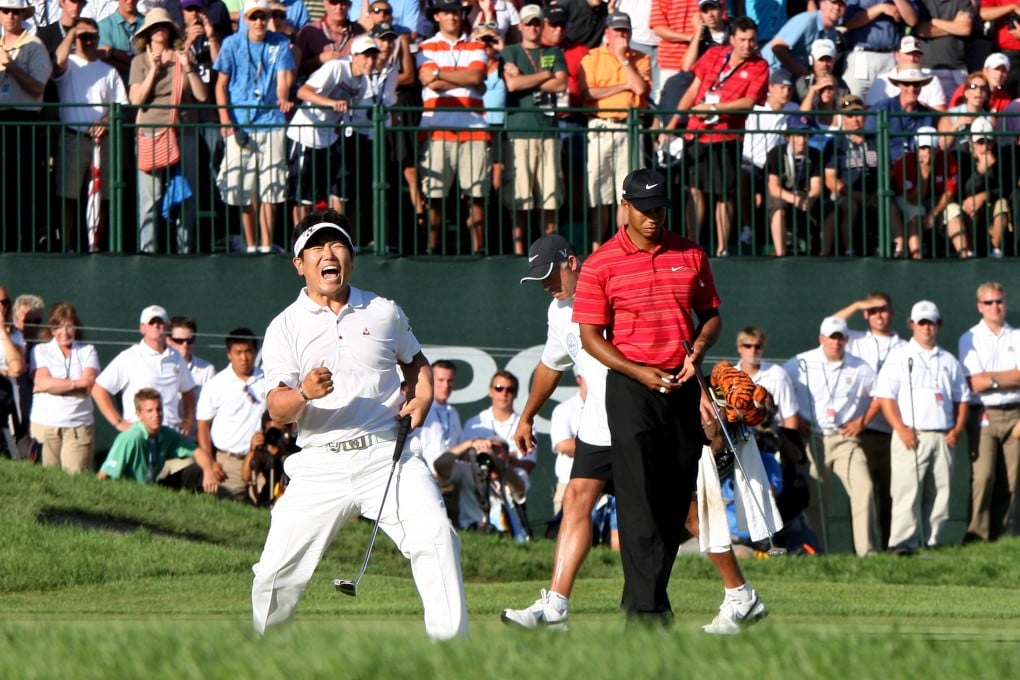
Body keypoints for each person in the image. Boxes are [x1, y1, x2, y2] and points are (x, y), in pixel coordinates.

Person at [250, 209, 467, 640]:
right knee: (275, 573)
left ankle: (453, 654)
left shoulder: (383, 311)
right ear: (299, 265)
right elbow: (278, 409)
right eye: (316, 247)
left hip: (388, 455)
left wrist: (422, 395)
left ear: (350, 256)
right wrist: (305, 393)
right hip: (319, 464)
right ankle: (265, 656)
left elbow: (416, 363)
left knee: (437, 538)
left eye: (337, 245)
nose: (328, 254)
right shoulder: (284, 327)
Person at [571, 168, 741, 628]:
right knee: (638, 499)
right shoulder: (601, 262)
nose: (652, 218)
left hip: (683, 384)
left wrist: (700, 349)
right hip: (630, 388)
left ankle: (640, 603)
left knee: (671, 504)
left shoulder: (689, 254)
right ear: (624, 206)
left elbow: (711, 316)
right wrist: (637, 372)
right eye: (644, 210)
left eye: (660, 209)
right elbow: (590, 336)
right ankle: (649, 614)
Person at [874, 300, 969, 553]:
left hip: (943, 435)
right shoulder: (899, 356)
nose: (927, 328)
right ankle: (902, 543)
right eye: (922, 322)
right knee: (907, 492)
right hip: (911, 434)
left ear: (939, 325)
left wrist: (958, 428)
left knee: (941, 494)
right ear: (912, 325)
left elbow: (962, 398)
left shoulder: (949, 361)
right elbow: (885, 397)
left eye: (932, 323)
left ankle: (933, 542)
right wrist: (901, 429)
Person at [673, 16, 768, 257]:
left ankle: (722, 248)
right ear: (733, 39)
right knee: (694, 191)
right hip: (696, 132)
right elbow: (694, 89)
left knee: (724, 194)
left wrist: (714, 108)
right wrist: (673, 122)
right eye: (743, 39)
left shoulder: (760, 65)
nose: (748, 45)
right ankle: (691, 247)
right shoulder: (715, 54)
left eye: (752, 40)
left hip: (727, 138)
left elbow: (749, 102)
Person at [784, 316, 879, 556]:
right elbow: (782, 391)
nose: (836, 342)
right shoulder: (799, 363)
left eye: (840, 337)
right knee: (814, 499)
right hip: (812, 438)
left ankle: (867, 552)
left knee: (864, 487)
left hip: (845, 439)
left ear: (847, 339)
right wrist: (795, 416)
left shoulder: (861, 366)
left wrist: (862, 421)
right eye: (831, 337)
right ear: (821, 338)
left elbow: (880, 396)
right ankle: (818, 551)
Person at [213, 0, 296, 254]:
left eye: (263, 17)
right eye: (255, 17)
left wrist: (282, 96)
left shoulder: (280, 43)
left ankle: (266, 244)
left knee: (271, 186)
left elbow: (283, 80)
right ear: (247, 19)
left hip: (271, 123)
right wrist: (226, 120)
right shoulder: (231, 44)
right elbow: (220, 85)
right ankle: (250, 245)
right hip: (241, 124)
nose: (260, 21)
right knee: (244, 188)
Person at [129, 9, 208, 254]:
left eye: (163, 26)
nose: (159, 30)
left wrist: (188, 68)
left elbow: (202, 95)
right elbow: (136, 100)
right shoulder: (139, 61)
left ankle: (184, 248)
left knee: (187, 196)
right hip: (152, 132)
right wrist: (153, 70)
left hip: (184, 130)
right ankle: (148, 250)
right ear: (147, 34)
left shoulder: (184, 55)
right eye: (154, 27)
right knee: (150, 198)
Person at [830, 291, 904, 548]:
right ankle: (864, 550)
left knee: (891, 495)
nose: (878, 315)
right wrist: (858, 303)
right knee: (864, 494)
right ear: (865, 314)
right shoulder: (856, 339)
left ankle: (890, 549)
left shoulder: (904, 347)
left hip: (893, 430)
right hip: (861, 431)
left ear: (892, 311)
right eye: (872, 311)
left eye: (883, 309)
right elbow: (831, 322)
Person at [416, 0, 489, 255]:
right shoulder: (425, 47)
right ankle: (432, 249)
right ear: (437, 16)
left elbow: (476, 77)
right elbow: (427, 79)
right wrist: (462, 77)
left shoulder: (478, 45)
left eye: (456, 11)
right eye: (447, 11)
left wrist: (440, 75)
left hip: (475, 130)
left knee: (476, 193)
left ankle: (479, 249)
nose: (452, 16)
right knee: (434, 196)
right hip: (436, 130)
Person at [52, 17, 129, 253]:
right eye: (82, 37)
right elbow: (57, 63)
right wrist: (73, 30)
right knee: (68, 196)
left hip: (102, 141)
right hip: (73, 137)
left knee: (101, 197)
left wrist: (106, 120)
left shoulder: (109, 71)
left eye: (91, 36)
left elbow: (122, 106)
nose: (87, 41)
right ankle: (66, 247)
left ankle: (94, 246)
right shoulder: (70, 64)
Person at [286, 35, 380, 227]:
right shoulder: (336, 67)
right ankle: (302, 242)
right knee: (303, 196)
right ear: (354, 56)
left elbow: (347, 111)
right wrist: (332, 103)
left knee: (328, 192)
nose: (369, 61)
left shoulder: (363, 83)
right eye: (365, 56)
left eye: (373, 56)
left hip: (328, 138)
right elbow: (302, 92)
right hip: (306, 135)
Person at [577, 11, 651, 250]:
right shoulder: (592, 57)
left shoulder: (639, 58)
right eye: (617, 30)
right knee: (598, 193)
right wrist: (623, 85)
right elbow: (589, 93)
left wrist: (623, 60)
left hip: (630, 130)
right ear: (607, 32)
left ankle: (623, 248)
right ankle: (599, 248)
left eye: (625, 30)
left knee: (628, 195)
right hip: (602, 127)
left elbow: (639, 87)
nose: (622, 35)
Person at [500, 3, 567, 254]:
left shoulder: (553, 52)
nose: (533, 27)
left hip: (548, 132)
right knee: (519, 197)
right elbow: (513, 85)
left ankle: (548, 252)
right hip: (518, 131)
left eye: (537, 22)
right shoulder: (510, 52)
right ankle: (518, 250)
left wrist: (530, 79)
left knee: (549, 195)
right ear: (520, 26)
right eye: (528, 23)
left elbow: (561, 85)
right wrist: (545, 75)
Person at [958, 282, 1020, 543]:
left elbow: (987, 379)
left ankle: (999, 538)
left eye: (999, 301)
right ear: (979, 307)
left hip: (1015, 413)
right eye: (989, 302)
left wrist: (991, 378)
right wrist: (1011, 377)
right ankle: (977, 538)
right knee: (983, 477)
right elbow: (974, 383)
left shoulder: (1017, 335)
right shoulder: (969, 337)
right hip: (982, 412)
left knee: (1012, 481)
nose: (995, 307)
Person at [92, 304, 197, 435]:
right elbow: (98, 389)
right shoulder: (129, 356)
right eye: (151, 323)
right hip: (139, 434)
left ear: (167, 327)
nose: (155, 326)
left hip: (170, 435)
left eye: (160, 322)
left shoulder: (176, 357)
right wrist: (119, 423)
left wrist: (187, 420)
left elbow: (188, 391)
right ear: (142, 328)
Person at [97, 388, 224, 492]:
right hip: (131, 491)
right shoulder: (131, 438)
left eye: (159, 409)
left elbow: (197, 451)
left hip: (154, 486)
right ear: (139, 414)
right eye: (149, 411)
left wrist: (209, 472)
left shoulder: (165, 433)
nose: (156, 415)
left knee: (198, 470)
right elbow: (105, 474)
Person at [0, 0, 52, 251]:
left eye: (15, 11)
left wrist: (10, 66)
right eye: (5, 10)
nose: (10, 15)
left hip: (24, 122)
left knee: (23, 186)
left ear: (23, 15)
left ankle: (27, 243)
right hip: (2, 122)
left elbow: (36, 88)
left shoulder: (35, 45)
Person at [28, 302, 100, 473]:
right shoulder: (40, 351)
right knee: (44, 479)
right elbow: (42, 382)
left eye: (69, 326)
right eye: (59, 326)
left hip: (78, 426)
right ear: (52, 329)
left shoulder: (88, 351)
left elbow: (89, 384)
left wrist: (55, 386)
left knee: (76, 481)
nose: (65, 332)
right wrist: (76, 384)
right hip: (45, 426)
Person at [196, 327, 266, 502]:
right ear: (229, 354)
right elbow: (203, 426)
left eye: (248, 351)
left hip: (261, 460)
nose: (244, 357)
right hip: (228, 462)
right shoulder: (216, 385)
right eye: (238, 352)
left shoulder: (268, 381)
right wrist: (211, 462)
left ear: (255, 352)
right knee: (229, 507)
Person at [944, 118, 1014, 259]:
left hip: (990, 201)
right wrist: (980, 171)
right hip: (965, 201)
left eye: (988, 142)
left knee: (1002, 205)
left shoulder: (999, 156)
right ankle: (970, 252)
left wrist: (984, 196)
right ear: (971, 142)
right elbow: (964, 190)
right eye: (980, 142)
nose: (984, 147)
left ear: (993, 142)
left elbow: (1005, 187)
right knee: (970, 206)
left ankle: (994, 250)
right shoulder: (960, 155)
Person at [765, 116, 824, 257]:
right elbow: (773, 187)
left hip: (805, 196)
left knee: (829, 207)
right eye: (797, 135)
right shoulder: (776, 153)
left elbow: (816, 186)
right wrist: (795, 199)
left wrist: (809, 198)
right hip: (785, 196)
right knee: (778, 207)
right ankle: (780, 253)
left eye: (805, 135)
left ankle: (824, 252)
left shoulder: (815, 154)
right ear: (788, 137)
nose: (802, 140)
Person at [462, 370, 536, 476]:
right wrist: (509, 458)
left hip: (512, 485)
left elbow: (528, 464)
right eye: (499, 388)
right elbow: (466, 459)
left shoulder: (525, 425)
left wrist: (490, 455)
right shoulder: (474, 423)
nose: (504, 393)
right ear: (491, 391)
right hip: (478, 482)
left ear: (515, 394)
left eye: (510, 390)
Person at [841, 0, 917, 98]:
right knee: (855, 103)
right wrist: (881, 8)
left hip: (890, 57)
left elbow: (912, 21)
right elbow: (847, 23)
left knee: (888, 104)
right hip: (861, 55)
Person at [867, 64, 937, 162]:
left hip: (915, 168)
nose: (912, 88)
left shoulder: (927, 116)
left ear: (921, 86)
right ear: (899, 84)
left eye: (916, 84)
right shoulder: (882, 108)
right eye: (907, 84)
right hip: (885, 168)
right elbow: (870, 142)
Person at [761, 0, 846, 76]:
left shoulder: (833, 34)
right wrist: (797, 69)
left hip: (793, 73)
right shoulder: (807, 21)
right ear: (822, 3)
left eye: (841, 4)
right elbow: (777, 47)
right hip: (771, 68)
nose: (837, 7)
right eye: (833, 2)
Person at [865, 35, 947, 110]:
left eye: (916, 54)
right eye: (908, 54)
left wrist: (920, 108)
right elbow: (871, 110)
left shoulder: (932, 80)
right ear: (897, 55)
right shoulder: (882, 80)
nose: (912, 58)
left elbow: (940, 112)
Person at [912, 0, 973, 97]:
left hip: (956, 70)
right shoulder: (922, 2)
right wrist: (955, 25)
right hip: (927, 69)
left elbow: (965, 29)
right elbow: (921, 30)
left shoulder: (962, 1)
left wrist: (934, 21)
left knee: (956, 110)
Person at [414, 358, 462, 472]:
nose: (445, 385)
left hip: (449, 480)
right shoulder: (421, 408)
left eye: (449, 380)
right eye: (440, 380)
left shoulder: (453, 413)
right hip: (425, 476)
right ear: (430, 380)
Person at [294, 0, 364, 77]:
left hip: (351, 85)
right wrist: (319, 59)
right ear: (325, 4)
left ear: (349, 5)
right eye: (334, 2)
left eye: (343, 3)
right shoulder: (309, 31)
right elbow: (295, 70)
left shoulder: (359, 31)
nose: (339, 7)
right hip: (316, 85)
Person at [97, 0, 145, 82]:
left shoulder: (148, 24)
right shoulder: (104, 26)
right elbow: (104, 62)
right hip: (116, 86)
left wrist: (114, 53)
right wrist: (139, 66)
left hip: (145, 87)